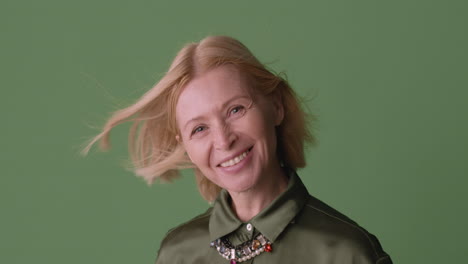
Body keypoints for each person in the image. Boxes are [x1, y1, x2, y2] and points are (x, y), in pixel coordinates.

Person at [83, 36, 392, 264]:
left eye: (235, 110)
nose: (223, 140)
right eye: (199, 128)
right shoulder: (177, 253)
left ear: (276, 106)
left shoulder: (348, 252)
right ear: (186, 146)